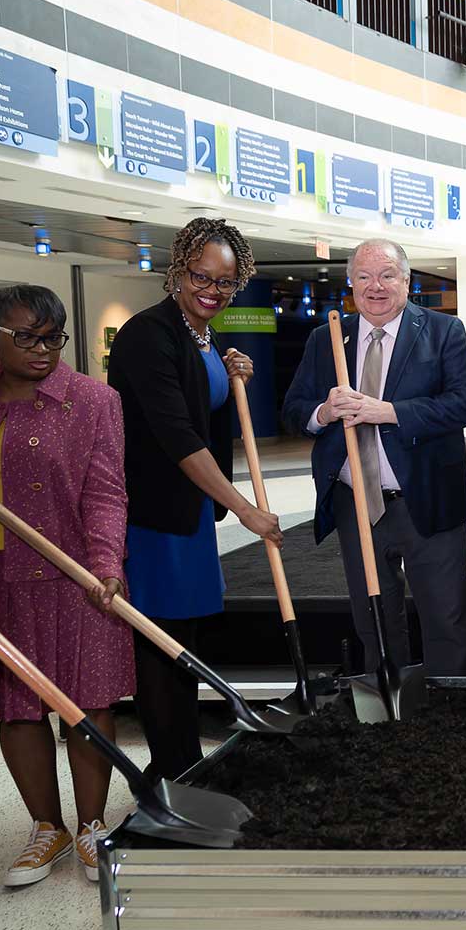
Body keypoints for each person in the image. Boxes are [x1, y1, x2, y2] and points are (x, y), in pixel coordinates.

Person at [107, 218, 280, 781]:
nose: (212, 290)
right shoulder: (147, 335)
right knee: (162, 648)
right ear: (177, 271)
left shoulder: (200, 337)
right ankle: (172, 772)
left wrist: (231, 378)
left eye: (226, 283)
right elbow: (177, 437)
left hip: (190, 519)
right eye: (200, 277)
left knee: (184, 645)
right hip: (156, 519)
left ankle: (185, 762)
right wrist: (247, 508)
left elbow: (201, 416)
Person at [0, 286, 126, 886]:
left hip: (77, 577)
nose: (42, 350)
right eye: (25, 337)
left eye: (52, 337)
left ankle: (91, 826)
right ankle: (45, 827)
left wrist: (106, 564)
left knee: (89, 702)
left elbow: (106, 489)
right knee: (19, 708)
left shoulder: (90, 400)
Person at [284, 238, 466, 678]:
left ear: (406, 280)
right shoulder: (326, 339)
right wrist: (324, 412)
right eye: (365, 276)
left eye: (387, 275)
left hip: (427, 500)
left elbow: (464, 404)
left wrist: (388, 412)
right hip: (357, 504)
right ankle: (390, 717)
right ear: (351, 283)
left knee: (445, 619)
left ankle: (454, 717)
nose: (376, 286)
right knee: (373, 619)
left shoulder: (443, 331)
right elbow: (294, 411)